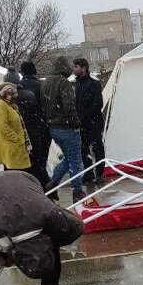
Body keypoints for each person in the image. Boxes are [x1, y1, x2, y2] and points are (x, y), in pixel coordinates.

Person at [44, 56, 86, 203]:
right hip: (67, 127)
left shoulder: (46, 83)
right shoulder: (64, 83)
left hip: (53, 128)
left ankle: (52, 185)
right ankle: (78, 191)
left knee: (68, 159)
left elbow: (44, 106)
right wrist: (76, 123)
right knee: (75, 160)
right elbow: (69, 107)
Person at [6, 66, 51, 187]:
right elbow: (40, 112)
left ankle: (26, 189)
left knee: (18, 169)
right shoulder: (30, 93)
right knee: (37, 164)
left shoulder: (5, 100)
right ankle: (44, 189)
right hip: (34, 134)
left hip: (19, 138)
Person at [72, 58, 105, 185]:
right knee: (83, 149)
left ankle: (100, 173)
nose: (74, 69)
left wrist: (85, 116)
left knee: (97, 148)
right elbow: (78, 103)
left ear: (83, 68)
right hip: (82, 123)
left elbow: (98, 104)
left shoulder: (93, 84)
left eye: (76, 67)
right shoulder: (78, 83)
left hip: (94, 122)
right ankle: (88, 173)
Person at [0, 82, 32, 172]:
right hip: (11, 146)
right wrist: (17, 139)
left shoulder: (10, 105)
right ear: (4, 93)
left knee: (17, 172)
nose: (15, 95)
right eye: (11, 93)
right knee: (15, 173)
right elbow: (3, 127)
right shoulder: (1, 105)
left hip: (14, 145)